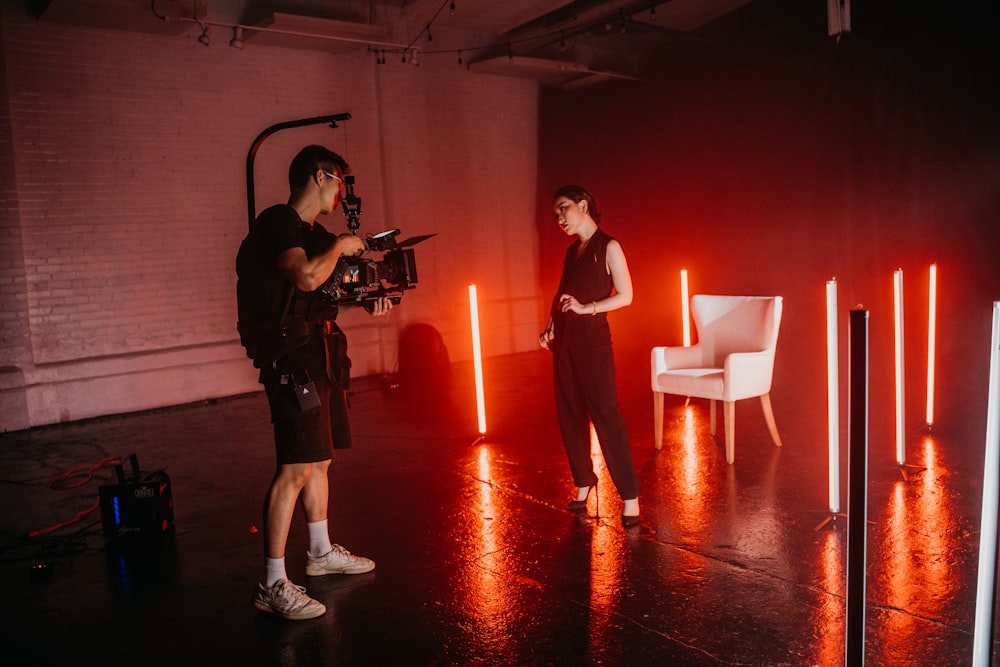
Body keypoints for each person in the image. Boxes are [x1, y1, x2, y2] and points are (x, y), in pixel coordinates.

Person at [236, 145, 393, 621]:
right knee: (294, 467)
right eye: (339, 181)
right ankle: (272, 582)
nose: (341, 191)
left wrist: (363, 300)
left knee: (319, 461)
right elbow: (305, 276)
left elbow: (322, 292)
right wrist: (342, 247)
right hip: (290, 361)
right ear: (320, 175)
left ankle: (320, 553)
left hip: (319, 355)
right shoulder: (278, 223)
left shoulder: (314, 234)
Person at [539, 185, 640, 528]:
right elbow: (562, 292)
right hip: (565, 343)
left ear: (583, 205)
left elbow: (626, 296)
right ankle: (584, 481)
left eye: (563, 209)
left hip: (594, 344)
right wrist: (551, 325)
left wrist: (588, 309)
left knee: (606, 416)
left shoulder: (609, 246)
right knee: (569, 415)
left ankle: (630, 496)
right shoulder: (572, 252)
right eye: (555, 214)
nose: (559, 219)